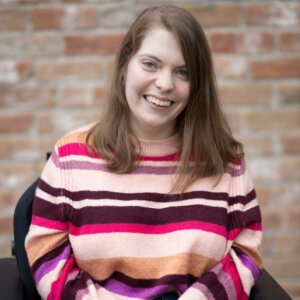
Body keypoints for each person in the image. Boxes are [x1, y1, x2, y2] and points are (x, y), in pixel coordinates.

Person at [25, 5, 262, 300]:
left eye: (183, 72)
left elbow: (245, 252)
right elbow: (46, 254)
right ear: (125, 64)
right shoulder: (70, 157)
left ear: (197, 84)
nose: (164, 84)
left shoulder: (226, 163)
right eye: (150, 64)